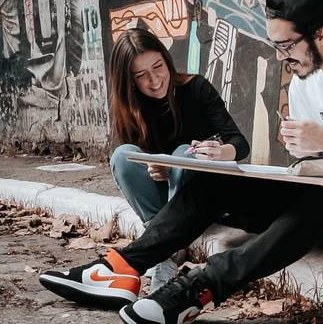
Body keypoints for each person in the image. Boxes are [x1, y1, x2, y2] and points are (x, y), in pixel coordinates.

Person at [39, 0, 323, 324]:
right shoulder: (305, 80)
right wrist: (306, 154)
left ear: (321, 33)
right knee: (216, 174)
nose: (279, 58)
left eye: (285, 45)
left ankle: (198, 290)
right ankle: (122, 268)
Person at [107, 28, 250, 291]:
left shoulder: (196, 88)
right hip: (162, 200)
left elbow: (240, 143)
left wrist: (220, 151)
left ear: (166, 59)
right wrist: (155, 167)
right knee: (122, 155)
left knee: (184, 153)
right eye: (141, 76)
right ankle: (165, 243)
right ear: (129, 82)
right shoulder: (130, 107)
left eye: (158, 66)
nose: (155, 80)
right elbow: (135, 160)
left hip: (200, 196)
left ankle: (165, 250)